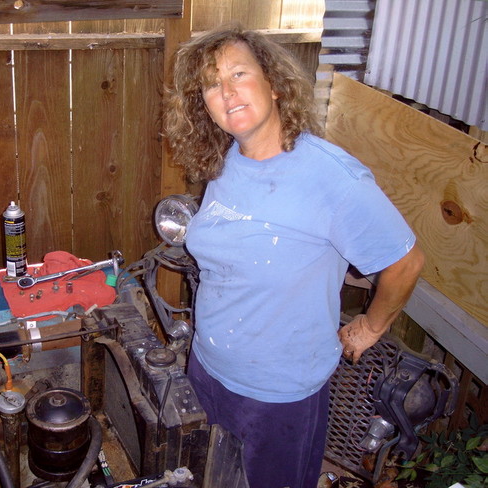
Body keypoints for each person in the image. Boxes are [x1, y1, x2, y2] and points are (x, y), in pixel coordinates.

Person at [163, 24, 425, 488]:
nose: (227, 92)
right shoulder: (227, 161)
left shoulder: (331, 177)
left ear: (274, 84)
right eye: (211, 85)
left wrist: (370, 327)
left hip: (277, 396)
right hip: (207, 368)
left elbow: (404, 262)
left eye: (239, 74)